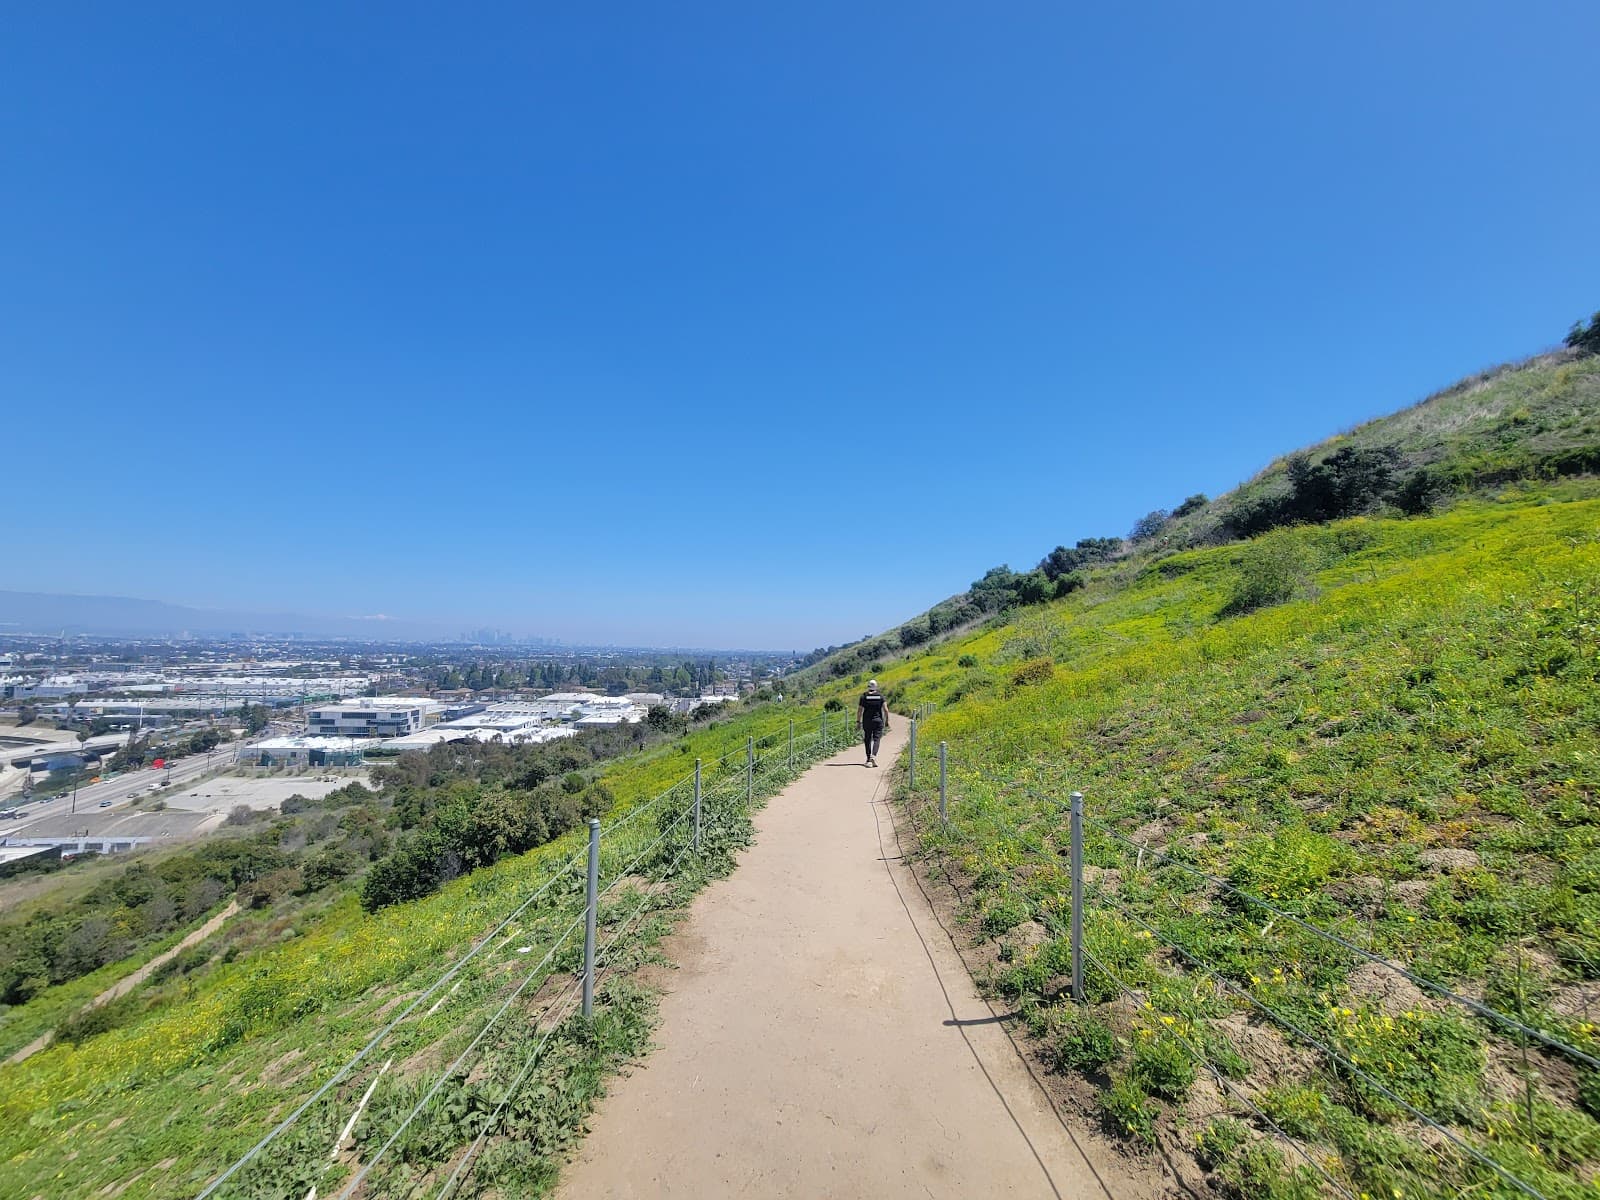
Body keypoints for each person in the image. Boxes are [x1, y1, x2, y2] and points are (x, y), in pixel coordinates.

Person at [857, 680, 889, 767]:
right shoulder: (881, 696)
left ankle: (868, 759)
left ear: (868, 687)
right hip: (878, 721)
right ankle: (873, 756)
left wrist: (858, 722)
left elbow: (860, 710)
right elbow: (886, 710)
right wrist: (887, 721)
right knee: (876, 739)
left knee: (867, 739)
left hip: (867, 721)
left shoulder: (864, 696)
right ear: (876, 687)